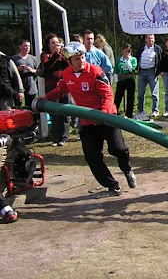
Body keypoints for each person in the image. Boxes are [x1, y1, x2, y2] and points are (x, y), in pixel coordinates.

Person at [41, 42, 136, 196]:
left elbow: (107, 94)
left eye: (83, 57)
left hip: (107, 118)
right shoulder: (67, 74)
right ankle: (112, 186)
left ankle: (127, 170)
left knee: (118, 149)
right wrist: (45, 99)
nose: (81, 61)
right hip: (87, 121)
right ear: (69, 61)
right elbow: (60, 90)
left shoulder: (96, 72)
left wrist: (103, 114)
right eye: (77, 59)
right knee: (92, 156)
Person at [40, 33, 70, 146]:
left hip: (63, 84)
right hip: (51, 85)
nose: (55, 45)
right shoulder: (45, 55)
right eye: (53, 43)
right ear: (48, 45)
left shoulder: (63, 54)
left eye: (57, 43)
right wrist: (56, 55)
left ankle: (64, 137)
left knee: (65, 110)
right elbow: (47, 66)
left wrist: (64, 57)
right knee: (54, 112)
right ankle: (56, 137)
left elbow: (68, 66)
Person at [135, 33, 163, 119]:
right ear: (145, 39)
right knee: (140, 93)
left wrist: (158, 71)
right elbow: (137, 58)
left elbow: (161, 60)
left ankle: (155, 110)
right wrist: (136, 68)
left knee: (154, 93)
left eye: (152, 38)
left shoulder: (157, 49)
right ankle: (140, 111)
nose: (151, 40)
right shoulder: (141, 48)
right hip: (141, 72)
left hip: (152, 72)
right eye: (149, 38)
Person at [11, 39, 38, 107]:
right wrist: (18, 69)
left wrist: (32, 70)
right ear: (20, 47)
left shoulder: (33, 58)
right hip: (18, 88)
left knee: (31, 107)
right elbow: (10, 72)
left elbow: (39, 72)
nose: (27, 48)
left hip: (31, 88)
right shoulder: (14, 58)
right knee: (18, 107)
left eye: (29, 46)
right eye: (25, 46)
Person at [114, 44, 137, 118]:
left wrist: (128, 60)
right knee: (118, 97)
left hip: (130, 79)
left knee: (130, 97)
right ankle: (114, 111)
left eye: (128, 51)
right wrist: (116, 80)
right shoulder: (119, 60)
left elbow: (131, 69)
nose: (127, 53)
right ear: (123, 51)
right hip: (121, 79)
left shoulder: (133, 59)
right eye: (125, 51)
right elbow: (116, 70)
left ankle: (129, 114)